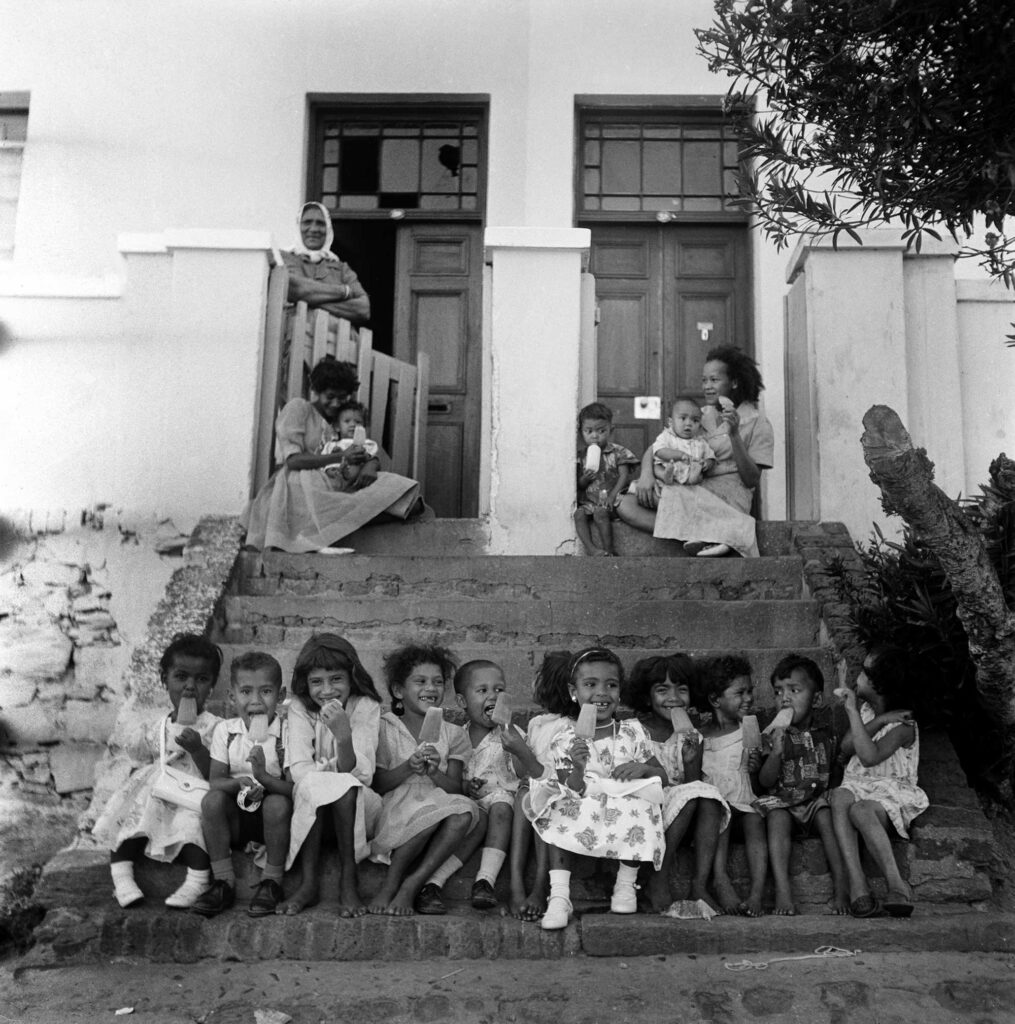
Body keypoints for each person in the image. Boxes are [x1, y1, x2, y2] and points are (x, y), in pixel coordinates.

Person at [523, 647, 667, 931]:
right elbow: (571, 786)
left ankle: (625, 886)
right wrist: (577, 767)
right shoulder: (565, 737)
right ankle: (560, 895)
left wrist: (644, 769)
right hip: (584, 800)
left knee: (642, 803)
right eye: (590, 685)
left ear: (620, 692)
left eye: (611, 685)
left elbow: (662, 776)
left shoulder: (633, 732)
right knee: (558, 803)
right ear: (573, 691)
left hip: (624, 802)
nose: (602, 693)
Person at [92, 634, 222, 909]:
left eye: (201, 680)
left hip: (192, 792)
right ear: (165, 680)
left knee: (192, 826)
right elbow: (139, 754)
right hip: (158, 789)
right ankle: (123, 876)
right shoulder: (157, 726)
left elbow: (218, 773)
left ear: (212, 686)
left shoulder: (217, 728)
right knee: (128, 818)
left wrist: (198, 750)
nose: (190, 687)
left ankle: (198, 879)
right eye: (181, 677)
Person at [241, 357, 421, 552]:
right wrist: (341, 456)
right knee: (363, 505)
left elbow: (361, 449)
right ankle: (323, 533)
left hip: (340, 480)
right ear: (317, 392)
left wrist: (371, 464)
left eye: (342, 397)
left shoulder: (340, 419)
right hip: (300, 485)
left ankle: (337, 525)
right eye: (330, 396)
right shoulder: (300, 408)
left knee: (409, 499)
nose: (336, 403)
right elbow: (293, 460)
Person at [618, 346, 774, 557]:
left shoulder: (757, 422)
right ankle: (709, 534)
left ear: (734, 382)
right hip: (692, 488)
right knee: (625, 503)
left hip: (728, 497)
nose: (707, 387)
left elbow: (751, 479)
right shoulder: (700, 415)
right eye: (704, 381)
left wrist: (735, 434)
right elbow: (659, 445)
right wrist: (647, 474)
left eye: (714, 380)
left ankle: (719, 532)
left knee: (646, 501)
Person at [367, 643, 482, 916]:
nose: (431, 688)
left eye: (438, 682)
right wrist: (408, 767)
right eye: (420, 681)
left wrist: (434, 773)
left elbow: (456, 789)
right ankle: (391, 882)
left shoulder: (453, 734)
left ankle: (412, 884)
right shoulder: (385, 728)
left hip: (439, 799)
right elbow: (378, 783)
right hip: (397, 804)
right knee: (426, 810)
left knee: (464, 813)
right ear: (398, 691)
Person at [280, 633, 383, 917]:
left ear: (352, 677)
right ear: (306, 684)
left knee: (345, 786)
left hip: (357, 808)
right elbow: (299, 771)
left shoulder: (365, 707)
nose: (327, 690)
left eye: (336, 679)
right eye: (316, 682)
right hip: (311, 810)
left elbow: (363, 775)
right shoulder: (300, 708)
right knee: (317, 784)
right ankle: (309, 881)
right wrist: (327, 776)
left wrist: (343, 735)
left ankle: (348, 877)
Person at [624, 655, 730, 913]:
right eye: (662, 690)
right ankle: (659, 877)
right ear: (647, 697)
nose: (673, 697)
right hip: (646, 804)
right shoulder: (631, 730)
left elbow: (693, 785)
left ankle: (700, 884)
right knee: (693, 794)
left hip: (684, 808)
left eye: (681, 689)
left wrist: (690, 760)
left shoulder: (692, 736)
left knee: (708, 795)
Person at [191, 652, 292, 919]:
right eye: (246, 692)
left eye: (266, 692)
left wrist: (265, 778)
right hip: (236, 818)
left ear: (280, 696)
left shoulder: (287, 733)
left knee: (278, 803)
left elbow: (293, 788)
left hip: (274, 822)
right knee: (210, 801)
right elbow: (215, 781)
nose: (256, 701)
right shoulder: (227, 731)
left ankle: (272, 881)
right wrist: (238, 783)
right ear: (232, 696)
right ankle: (223, 881)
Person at [830, 645, 927, 918]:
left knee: (860, 810)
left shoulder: (904, 725)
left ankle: (897, 886)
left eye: (863, 672)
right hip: (858, 784)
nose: (857, 676)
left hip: (890, 793)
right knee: (839, 796)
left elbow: (870, 756)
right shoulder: (869, 712)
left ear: (879, 686)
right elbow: (848, 746)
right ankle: (857, 884)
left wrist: (850, 711)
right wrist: (877, 718)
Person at [755, 654, 848, 916]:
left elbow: (836, 769)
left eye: (794, 690)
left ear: (816, 699)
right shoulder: (771, 735)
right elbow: (764, 782)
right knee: (775, 817)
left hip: (815, 800)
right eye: (778, 692)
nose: (784, 698)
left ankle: (842, 884)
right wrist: (774, 753)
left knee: (829, 816)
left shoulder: (827, 731)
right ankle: (783, 890)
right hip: (782, 800)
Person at [454, 659, 540, 911]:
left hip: (504, 805)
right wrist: (465, 786)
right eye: (482, 691)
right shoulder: (457, 736)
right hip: (473, 806)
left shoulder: (513, 734)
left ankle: (485, 881)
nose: (493, 696)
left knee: (502, 804)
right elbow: (453, 776)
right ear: (462, 702)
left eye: (499, 690)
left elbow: (525, 773)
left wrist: (515, 745)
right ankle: (435, 881)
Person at [698, 655, 768, 917]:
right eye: (740, 692)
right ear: (716, 700)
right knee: (721, 810)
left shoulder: (748, 730)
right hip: (715, 810)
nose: (748, 698)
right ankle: (719, 877)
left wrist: (756, 765)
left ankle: (757, 893)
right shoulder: (700, 735)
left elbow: (759, 782)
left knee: (755, 821)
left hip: (745, 799)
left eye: (750, 691)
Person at [507, 653, 570, 922]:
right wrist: (513, 747)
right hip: (531, 789)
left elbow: (554, 776)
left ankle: (539, 887)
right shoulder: (535, 723)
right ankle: (515, 884)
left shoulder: (569, 726)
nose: (531, 682)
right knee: (524, 793)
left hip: (557, 793)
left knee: (538, 797)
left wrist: (524, 754)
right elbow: (523, 771)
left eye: (537, 676)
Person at [282, 201, 370, 326]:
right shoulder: (285, 258)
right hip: (296, 339)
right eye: (307, 222)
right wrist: (344, 291)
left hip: (336, 342)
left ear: (328, 228)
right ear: (298, 226)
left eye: (321, 223)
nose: (313, 229)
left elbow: (363, 309)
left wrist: (308, 299)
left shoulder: (342, 268)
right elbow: (296, 289)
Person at [574, 402, 639, 557]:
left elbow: (624, 476)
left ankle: (609, 550)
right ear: (581, 432)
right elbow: (579, 485)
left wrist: (612, 496)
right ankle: (592, 549)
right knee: (578, 515)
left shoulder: (618, 452)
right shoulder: (580, 456)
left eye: (601, 431)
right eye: (589, 431)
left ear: (611, 430)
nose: (595, 436)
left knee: (600, 513)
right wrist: (585, 478)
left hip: (612, 501)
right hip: (589, 501)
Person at [652, 396, 717, 487]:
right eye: (683, 418)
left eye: (695, 420)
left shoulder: (700, 442)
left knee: (700, 475)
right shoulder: (667, 436)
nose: (689, 423)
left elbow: (711, 457)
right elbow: (659, 451)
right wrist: (680, 455)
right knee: (656, 467)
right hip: (669, 468)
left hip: (690, 472)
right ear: (671, 422)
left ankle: (693, 479)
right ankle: (665, 476)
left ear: (699, 425)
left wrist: (707, 463)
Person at [320, 400, 379, 490]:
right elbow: (324, 462)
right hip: (333, 476)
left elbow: (371, 458)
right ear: (337, 426)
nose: (353, 425)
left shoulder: (367, 443)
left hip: (353, 474)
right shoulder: (330, 445)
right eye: (347, 421)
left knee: (358, 460)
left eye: (358, 422)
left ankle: (345, 478)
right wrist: (329, 470)